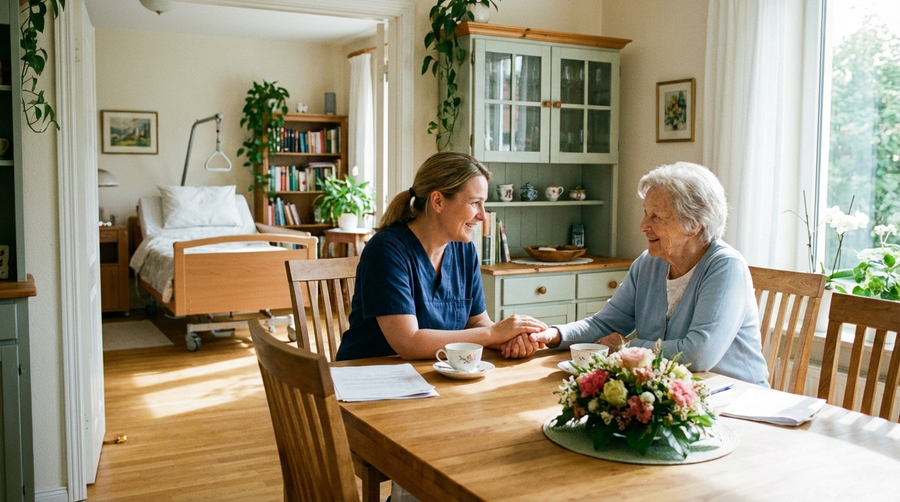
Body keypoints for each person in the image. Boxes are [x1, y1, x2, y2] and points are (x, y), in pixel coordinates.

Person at [510, 162, 769, 386]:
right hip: (670, 395)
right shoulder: (649, 263)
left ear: (694, 225)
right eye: (646, 213)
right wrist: (553, 335)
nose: (643, 226)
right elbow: (605, 324)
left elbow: (698, 355)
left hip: (737, 402)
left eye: (656, 216)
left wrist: (626, 348)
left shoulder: (725, 267)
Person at [335, 151, 547, 361]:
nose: (483, 215)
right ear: (437, 201)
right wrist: (493, 334)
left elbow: (477, 323)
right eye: (475, 203)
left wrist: (510, 340)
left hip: (434, 376)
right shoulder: (386, 250)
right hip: (370, 378)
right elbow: (409, 343)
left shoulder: (465, 250)